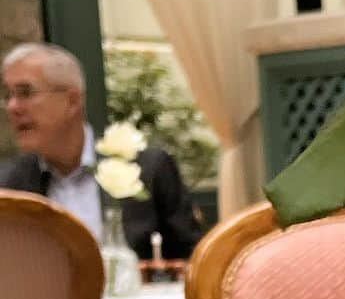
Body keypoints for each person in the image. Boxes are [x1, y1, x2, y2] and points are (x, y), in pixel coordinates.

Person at [0, 42, 202, 259]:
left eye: (25, 92)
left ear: (72, 100)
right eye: (8, 96)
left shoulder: (148, 168)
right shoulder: (9, 185)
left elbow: (193, 259)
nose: (13, 107)